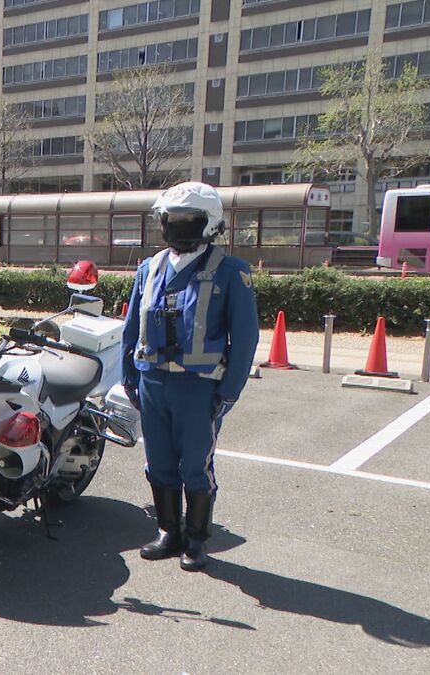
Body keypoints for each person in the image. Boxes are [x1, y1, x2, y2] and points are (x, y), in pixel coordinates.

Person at [120, 182, 260, 571]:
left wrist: (229, 390)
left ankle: (196, 538)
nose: (177, 227)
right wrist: (128, 375)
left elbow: (245, 337)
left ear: (210, 224)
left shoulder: (231, 272)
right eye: (171, 219)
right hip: (152, 382)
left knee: (195, 464)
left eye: (188, 220)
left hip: (199, 388)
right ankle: (169, 530)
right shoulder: (149, 269)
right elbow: (131, 326)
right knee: (159, 460)